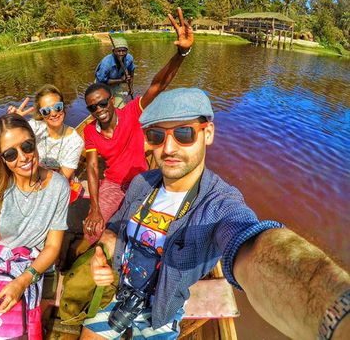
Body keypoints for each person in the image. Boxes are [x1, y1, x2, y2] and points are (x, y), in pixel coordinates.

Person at [83, 88, 350, 339]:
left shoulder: (219, 204)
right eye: (156, 136)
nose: (168, 148)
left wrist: (335, 315)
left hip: (162, 309)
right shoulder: (142, 183)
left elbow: (254, 247)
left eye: (184, 133)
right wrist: (102, 254)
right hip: (122, 292)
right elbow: (116, 228)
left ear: (208, 132)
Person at [83, 8, 193, 245]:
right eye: (92, 108)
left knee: (154, 233)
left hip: (142, 181)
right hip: (112, 183)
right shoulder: (90, 130)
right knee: (92, 232)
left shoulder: (132, 111)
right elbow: (92, 168)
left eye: (103, 103)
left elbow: (159, 83)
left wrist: (181, 54)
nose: (99, 109)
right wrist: (94, 207)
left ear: (112, 101)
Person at [0, 113, 70, 319]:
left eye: (27, 146)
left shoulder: (59, 186)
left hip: (32, 265)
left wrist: (21, 282)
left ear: (35, 141)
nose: (23, 157)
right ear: (1, 158)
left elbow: (53, 247)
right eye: (10, 154)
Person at [0, 84, 84, 180]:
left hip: (57, 183)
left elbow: (62, 178)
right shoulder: (35, 127)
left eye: (57, 107)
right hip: (31, 177)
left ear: (63, 106)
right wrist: (10, 120)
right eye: (46, 111)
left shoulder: (75, 141)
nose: (53, 114)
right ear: (41, 114)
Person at [94, 37, 135, 108]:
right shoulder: (106, 63)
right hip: (102, 86)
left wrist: (131, 87)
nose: (121, 53)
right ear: (113, 51)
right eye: (118, 51)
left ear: (127, 51)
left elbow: (131, 73)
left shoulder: (129, 58)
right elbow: (102, 81)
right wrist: (122, 80)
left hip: (116, 85)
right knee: (104, 107)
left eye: (124, 51)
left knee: (120, 107)